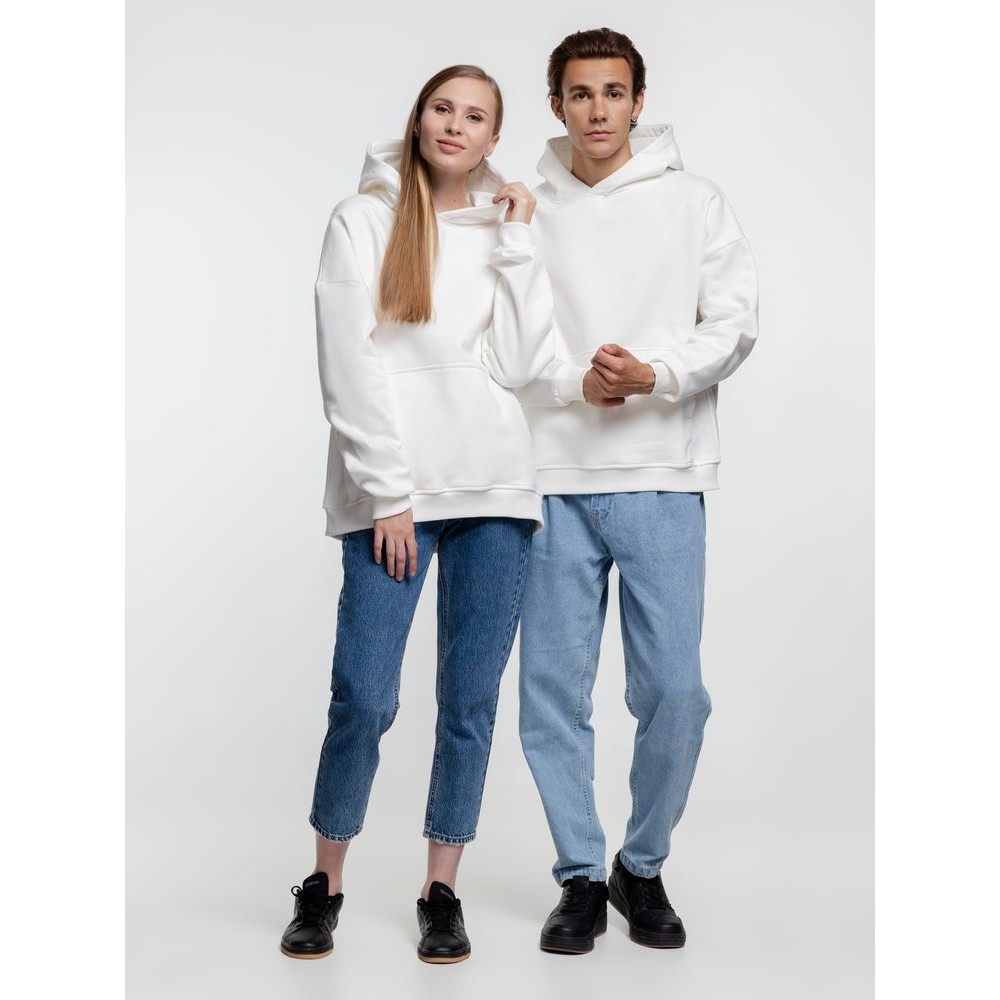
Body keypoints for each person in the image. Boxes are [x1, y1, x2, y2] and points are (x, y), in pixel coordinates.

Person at [280, 64, 554, 965]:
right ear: (419, 116)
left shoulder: (506, 226)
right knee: (364, 695)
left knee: (469, 703)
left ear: (493, 138)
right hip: (394, 498)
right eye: (443, 107)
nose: (454, 125)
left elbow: (522, 365)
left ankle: (442, 891)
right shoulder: (362, 220)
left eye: (475, 116)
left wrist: (520, 239)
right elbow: (348, 362)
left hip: (495, 489)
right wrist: (388, 493)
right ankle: (323, 884)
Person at [516, 28, 759, 954]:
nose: (598, 110)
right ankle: (580, 874)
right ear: (557, 105)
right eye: (580, 94)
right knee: (552, 693)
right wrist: (573, 383)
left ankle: (641, 864)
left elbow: (734, 322)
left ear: (638, 101)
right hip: (551, 476)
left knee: (676, 694)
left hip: (662, 474)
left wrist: (655, 374)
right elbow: (501, 336)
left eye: (614, 92)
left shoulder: (696, 202)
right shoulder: (524, 208)